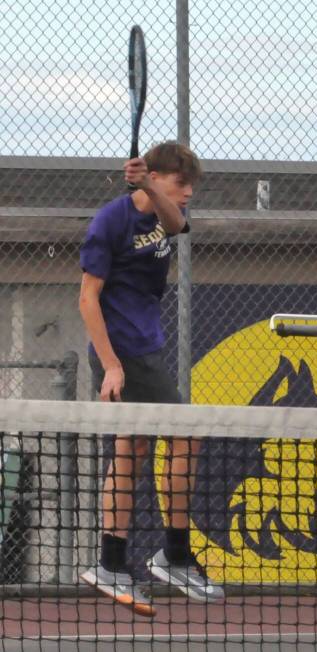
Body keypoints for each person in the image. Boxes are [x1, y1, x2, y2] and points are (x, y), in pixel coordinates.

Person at [78, 142, 223, 616]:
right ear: (158, 176)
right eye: (181, 185)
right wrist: (112, 364)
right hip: (122, 351)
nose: (187, 195)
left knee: (133, 446)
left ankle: (113, 562)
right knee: (183, 434)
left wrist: (150, 190)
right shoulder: (110, 221)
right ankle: (173, 555)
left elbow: (178, 225)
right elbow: (87, 299)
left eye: (191, 188)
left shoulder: (166, 215)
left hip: (146, 346)